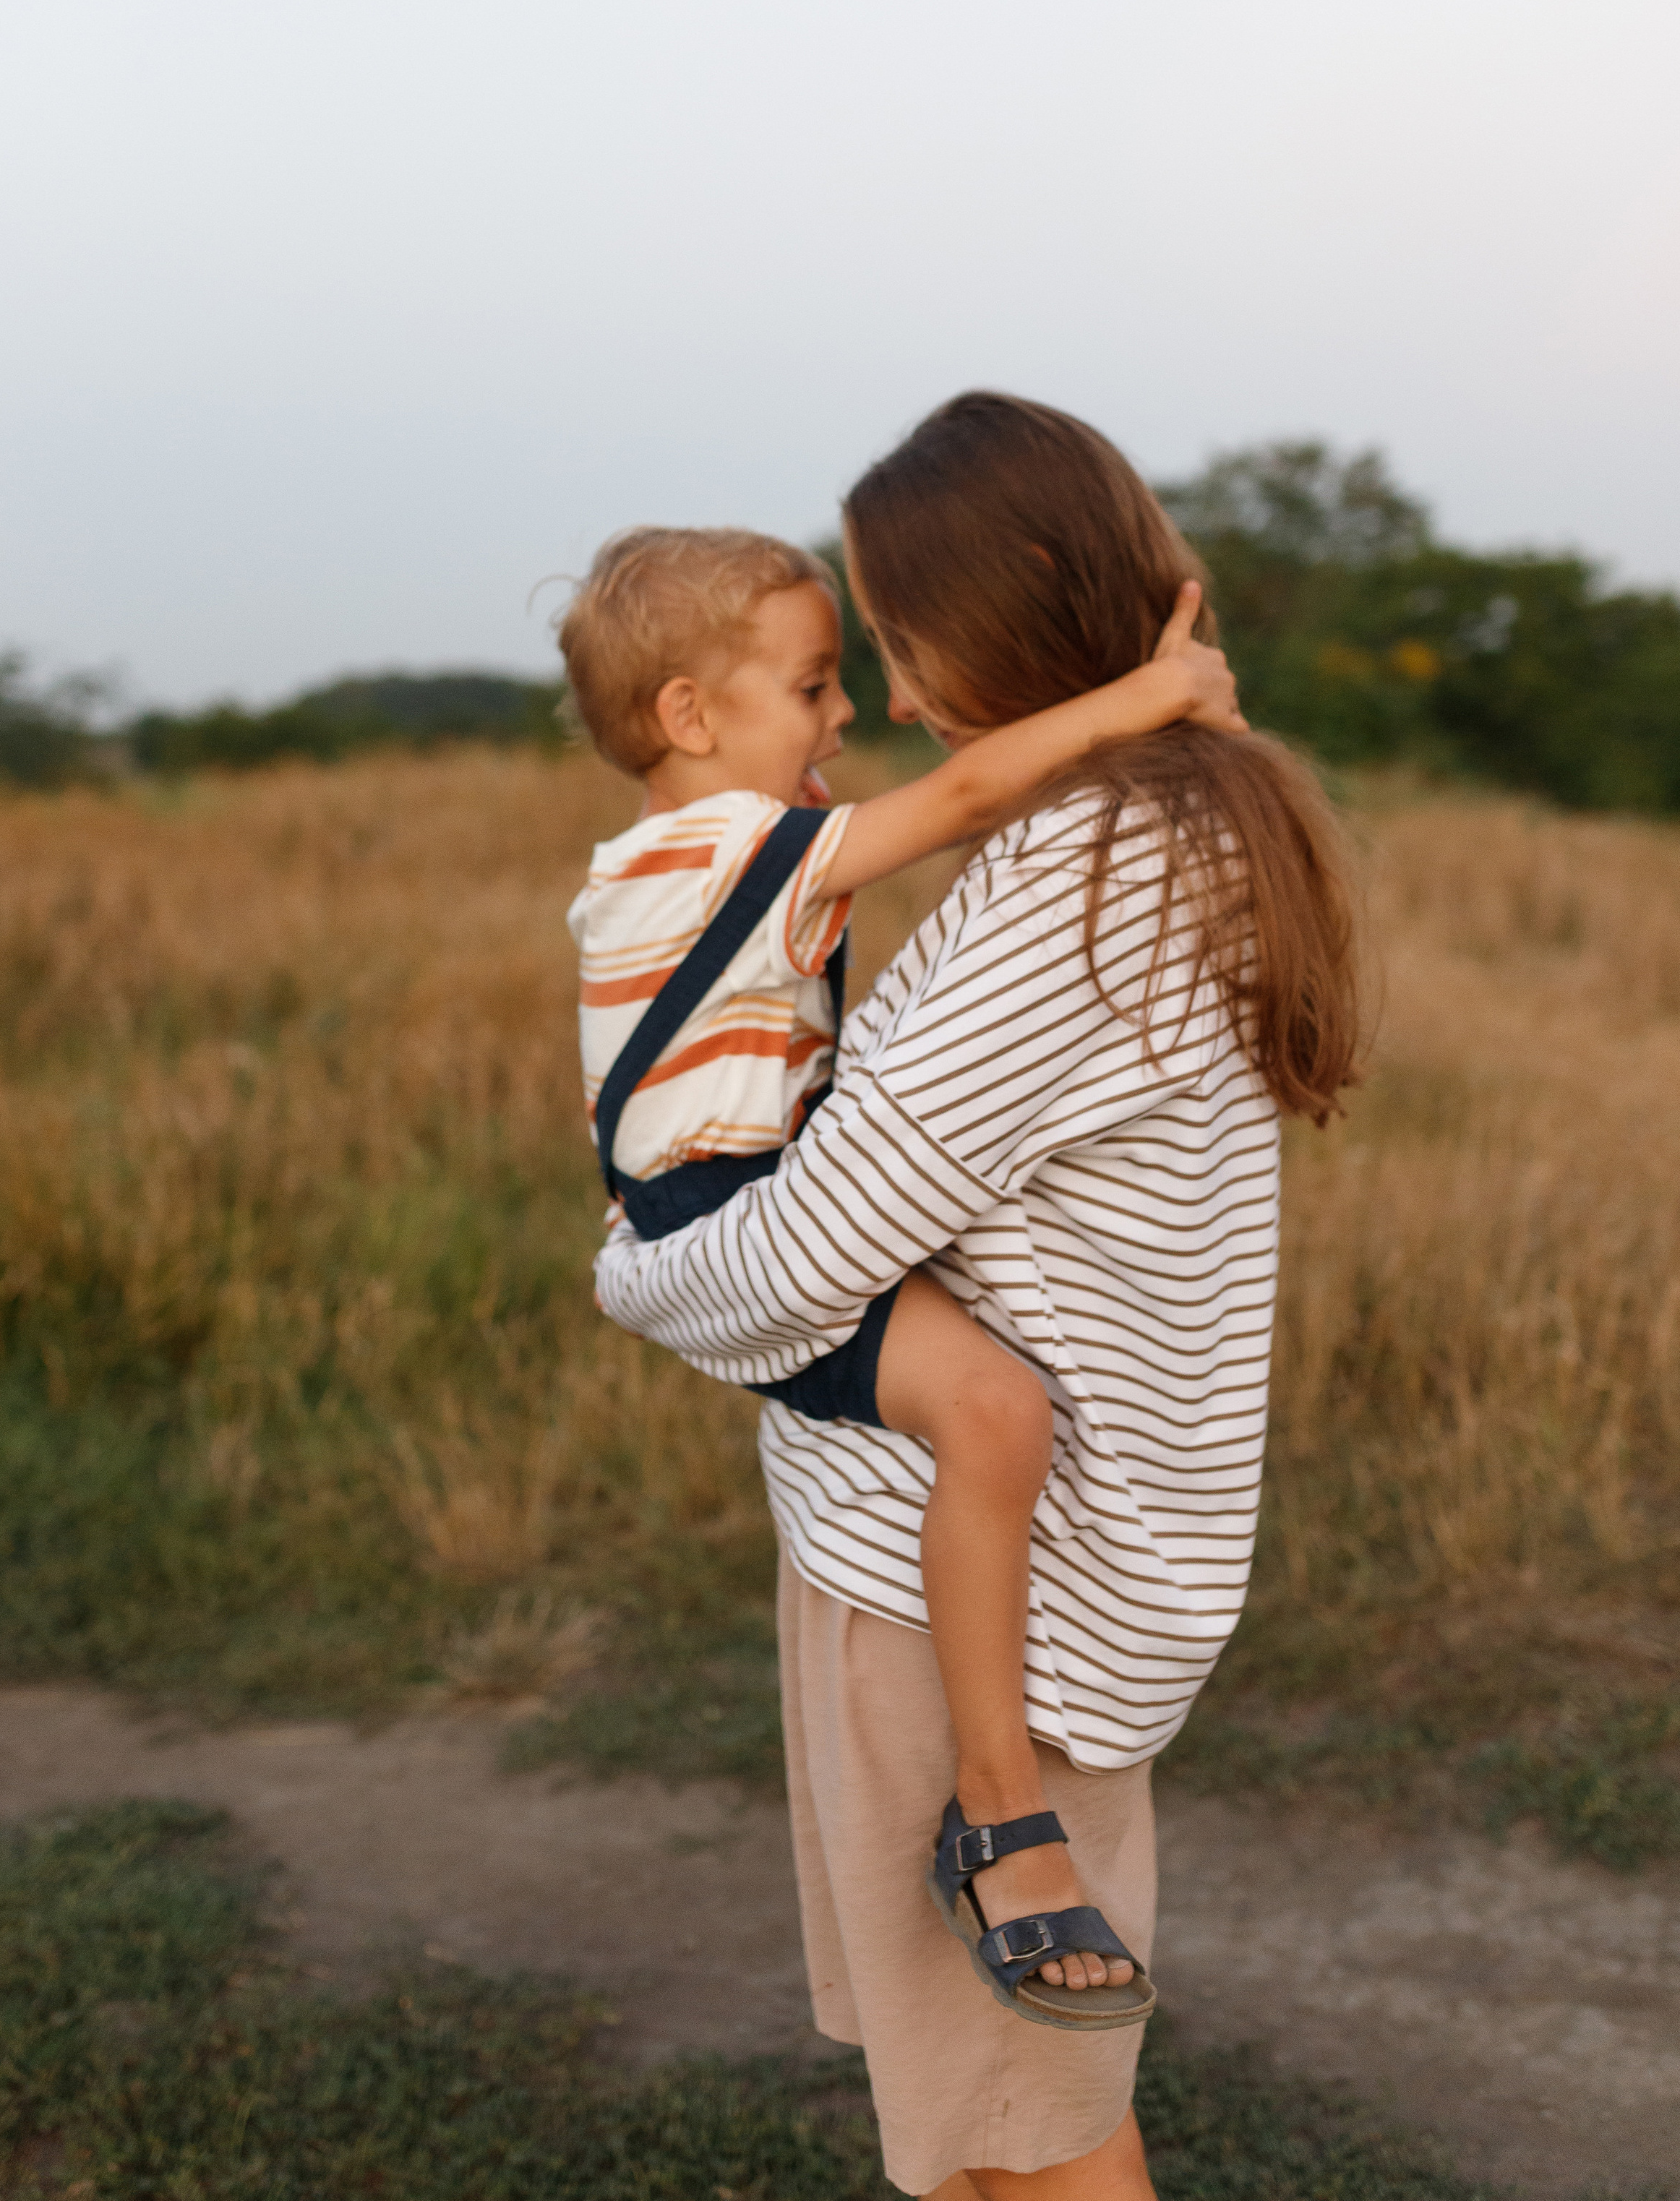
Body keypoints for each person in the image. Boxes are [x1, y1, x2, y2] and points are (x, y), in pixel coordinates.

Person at [594, 396, 1362, 2201]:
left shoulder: (1084, 877)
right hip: (1028, 1563)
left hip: (967, 1602)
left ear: (1006, 596)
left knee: (1020, 2149)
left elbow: (799, 1255)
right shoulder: (1181, 825)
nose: (899, 686)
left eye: (898, 631)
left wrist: (629, 1267)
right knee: (1020, 2117)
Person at [560, 525, 1248, 2015]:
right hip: (726, 1207)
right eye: (811, 687)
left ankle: (993, 1776)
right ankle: (997, 1801)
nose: (842, 717)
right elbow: (962, 791)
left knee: (986, 1411)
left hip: (703, 1195)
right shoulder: (740, 847)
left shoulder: (646, 863)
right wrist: (1150, 693)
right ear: (690, 719)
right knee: (995, 1415)